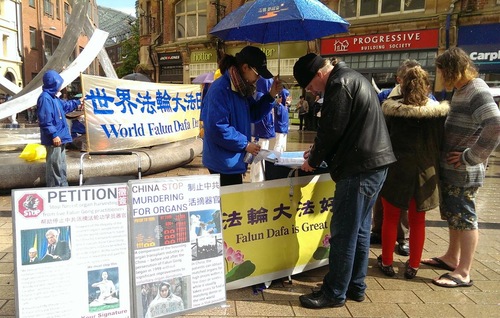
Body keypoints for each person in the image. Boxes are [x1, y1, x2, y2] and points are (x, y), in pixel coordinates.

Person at [293, 53, 396, 309]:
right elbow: (345, 127)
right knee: (360, 231)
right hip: (375, 164)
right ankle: (355, 286)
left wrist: (314, 160)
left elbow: (332, 129)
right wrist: (316, 149)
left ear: (318, 74)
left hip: (358, 168)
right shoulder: (354, 77)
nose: (311, 92)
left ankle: (334, 292)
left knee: (343, 234)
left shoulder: (339, 83)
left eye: (309, 86)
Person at [421, 47, 500, 288]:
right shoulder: (463, 89)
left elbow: (495, 124)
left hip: (464, 171)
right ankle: (451, 258)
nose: (440, 77)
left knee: (464, 218)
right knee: (455, 216)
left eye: (442, 71)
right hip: (455, 171)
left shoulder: (476, 89)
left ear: (452, 69)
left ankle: (464, 271)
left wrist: (471, 156)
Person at [377, 66, 450, 279]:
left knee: (390, 218)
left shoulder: (391, 111)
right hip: (425, 172)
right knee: (418, 220)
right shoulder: (437, 114)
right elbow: (441, 143)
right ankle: (414, 265)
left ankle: (387, 262)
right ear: (427, 86)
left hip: (396, 169)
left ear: (402, 85)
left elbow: (384, 141)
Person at [201, 45, 282, 186]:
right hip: (223, 162)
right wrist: (245, 144)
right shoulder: (221, 89)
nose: (258, 78)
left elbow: (254, 114)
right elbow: (217, 127)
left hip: (234, 159)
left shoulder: (241, 88)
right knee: (230, 204)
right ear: (245, 68)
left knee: (232, 204)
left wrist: (271, 95)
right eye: (257, 73)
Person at [371, 59, 428, 256]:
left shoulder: (428, 100)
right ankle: (377, 230)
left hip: (409, 161)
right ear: (399, 79)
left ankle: (402, 238)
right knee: (381, 196)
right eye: (407, 78)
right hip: (385, 155)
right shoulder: (385, 97)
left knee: (404, 202)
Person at [37, 70, 82, 187]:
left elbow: (66, 106)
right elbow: (45, 120)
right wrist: (54, 135)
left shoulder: (54, 98)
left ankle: (63, 187)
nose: (61, 87)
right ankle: (54, 190)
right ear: (53, 83)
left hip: (60, 137)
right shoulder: (45, 98)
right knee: (54, 166)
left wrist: (78, 102)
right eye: (59, 84)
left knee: (61, 165)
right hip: (55, 139)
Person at [250, 77, 276, 182]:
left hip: (259, 133)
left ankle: (256, 179)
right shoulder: (261, 96)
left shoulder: (258, 95)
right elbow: (262, 119)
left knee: (257, 159)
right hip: (261, 134)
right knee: (259, 159)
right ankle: (258, 181)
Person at [273, 89, 289, 153]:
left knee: (282, 145)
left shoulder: (285, 106)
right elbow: (278, 114)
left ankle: (280, 157)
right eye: (287, 96)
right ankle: (275, 157)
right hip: (280, 128)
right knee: (278, 144)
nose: (288, 98)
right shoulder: (278, 106)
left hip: (284, 128)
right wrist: (279, 104)